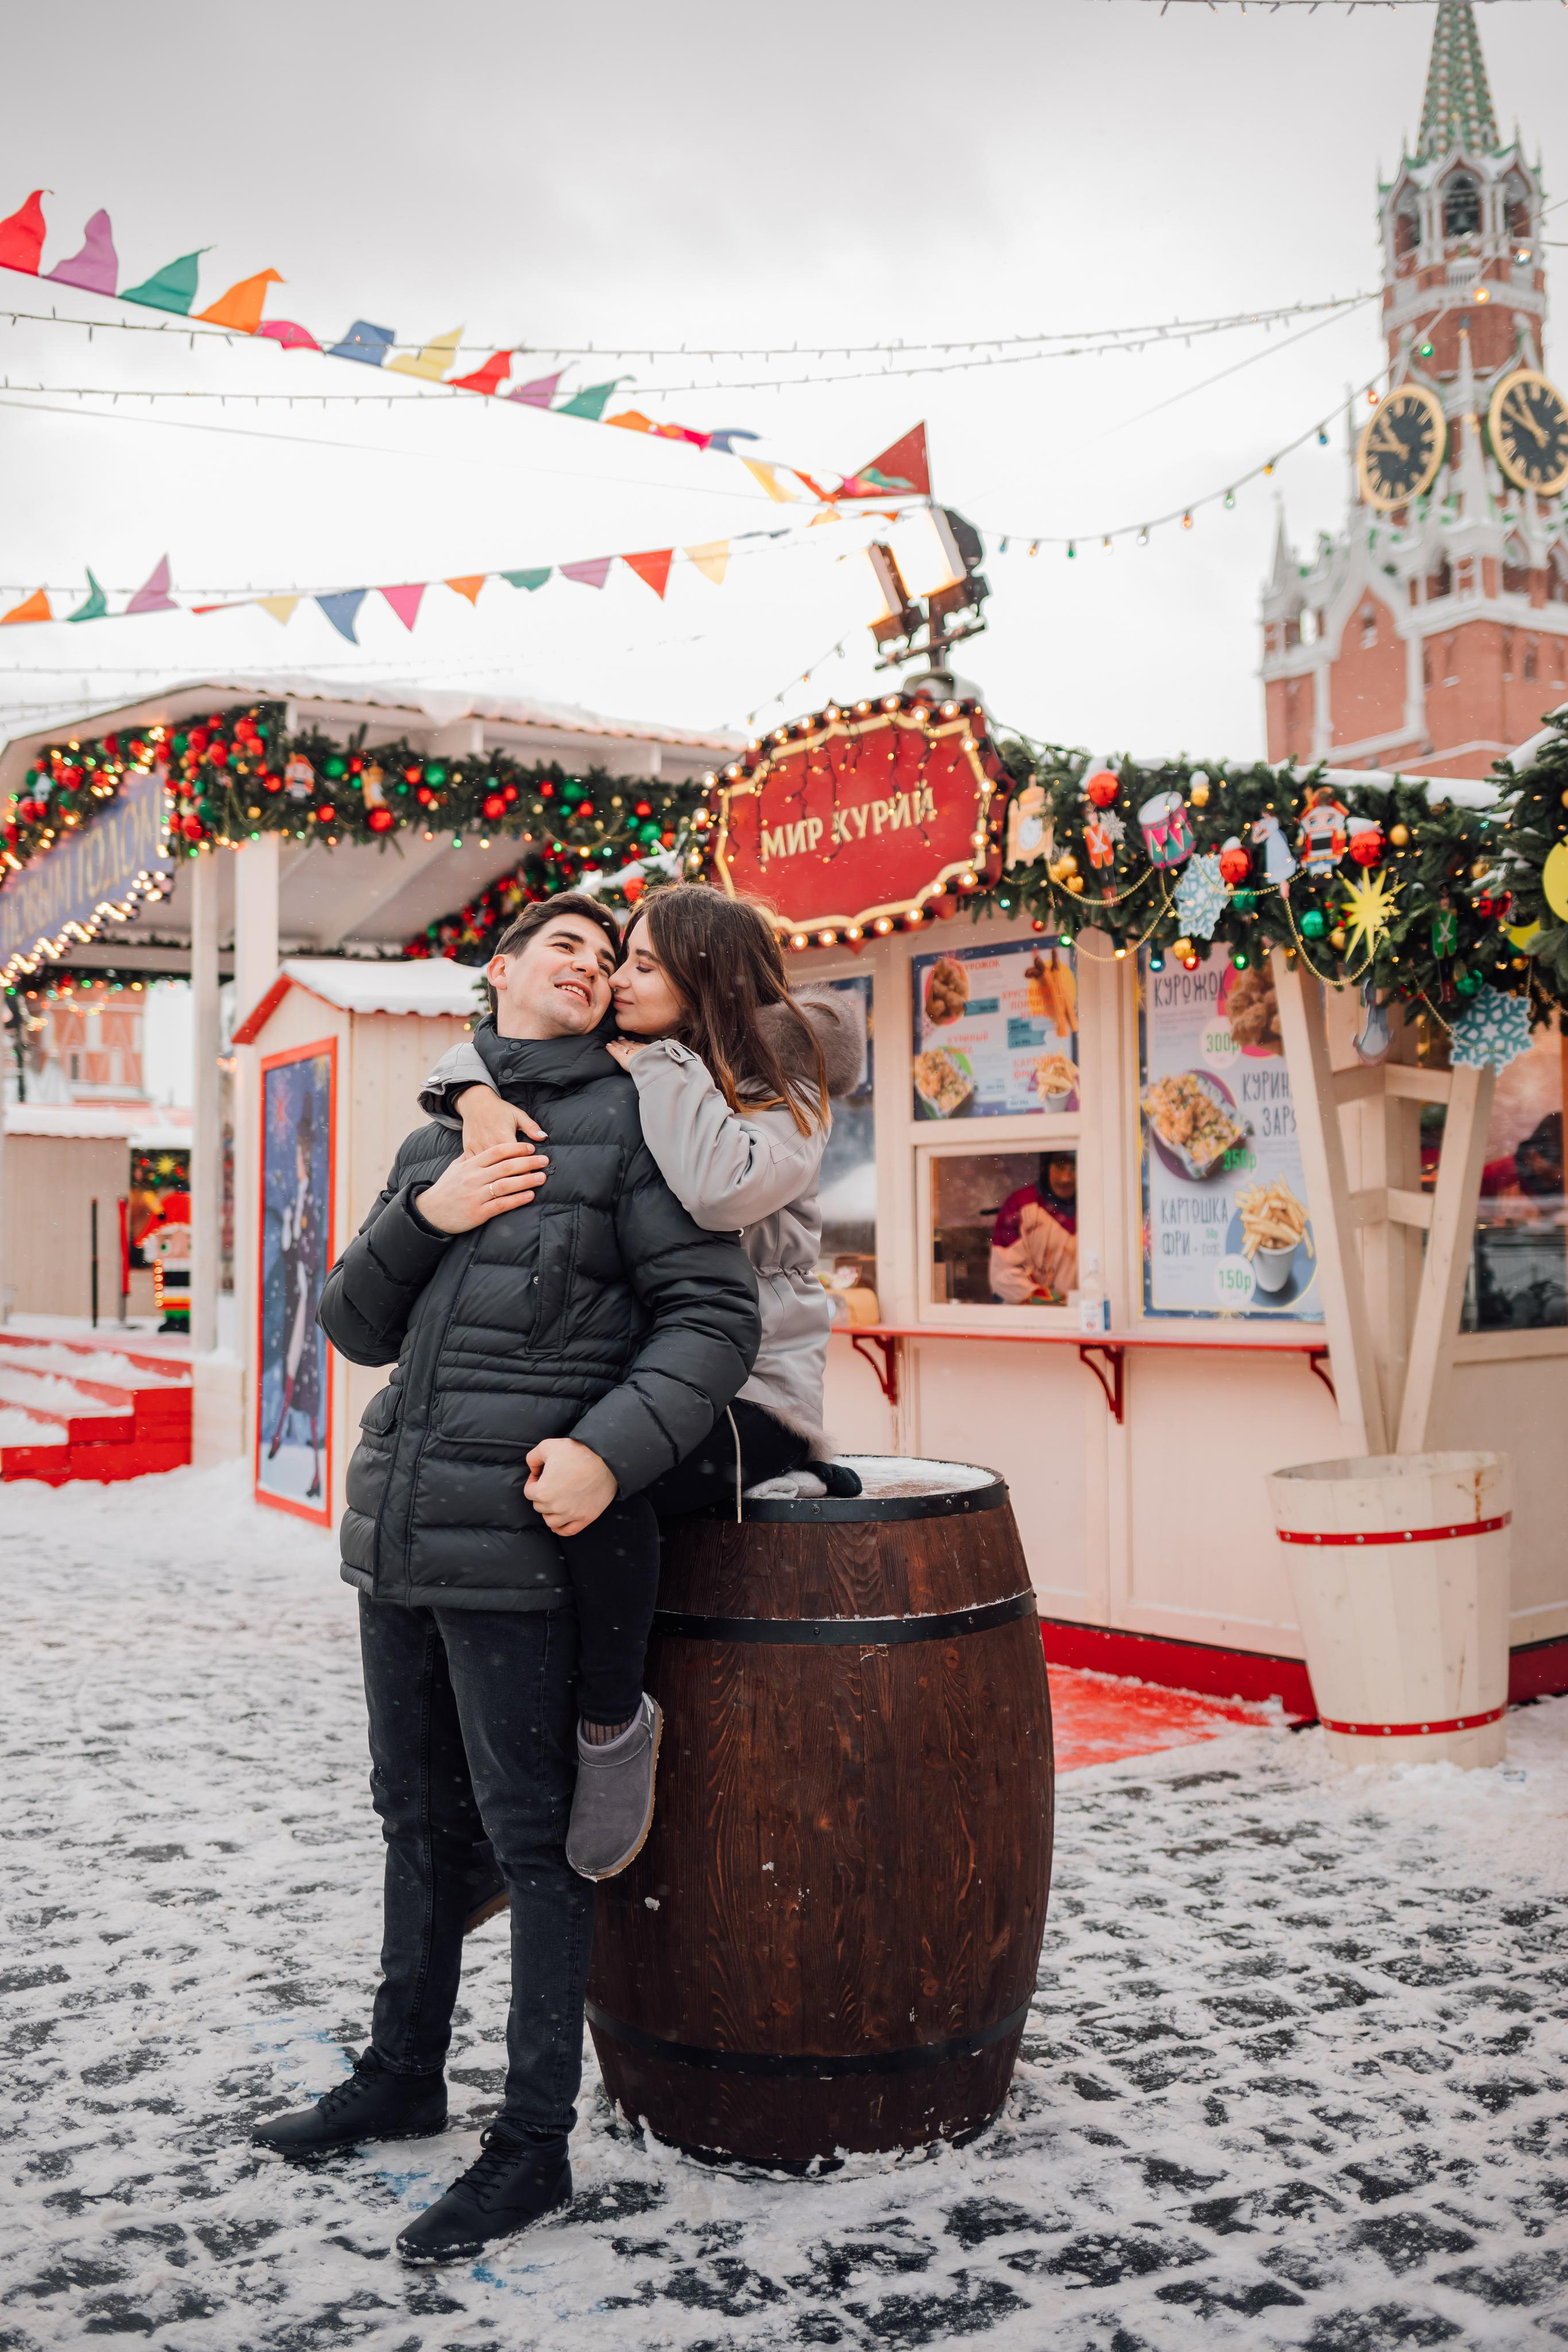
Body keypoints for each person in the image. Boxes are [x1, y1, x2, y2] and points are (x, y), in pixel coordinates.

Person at [251, 895, 760, 2268]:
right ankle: (401, 2072)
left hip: (527, 1545)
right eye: (564, 946)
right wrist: (428, 1209)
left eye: (608, 955)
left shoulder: (638, 1129)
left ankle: (530, 2146)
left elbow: (713, 1319)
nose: (590, 965)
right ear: (495, 970)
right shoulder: (442, 1131)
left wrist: (605, 1452)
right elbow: (353, 1323)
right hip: (401, 1533)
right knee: (414, 1818)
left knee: (535, 1847)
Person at [419, 882, 864, 1768]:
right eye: (624, 957)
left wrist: (659, 1067)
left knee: (603, 1486)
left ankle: (611, 1723)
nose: (618, 977)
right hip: (656, 1377)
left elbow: (721, 1187)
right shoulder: (650, 1056)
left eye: (646, 963)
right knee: (536, 1482)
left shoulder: (783, 1078)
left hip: (751, 1387)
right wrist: (470, 1097)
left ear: (705, 977)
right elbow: (505, 1051)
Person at [265, 1093, 326, 1499]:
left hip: (311, 1302)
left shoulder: (314, 1202)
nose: (300, 1161)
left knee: (304, 1372)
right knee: (291, 1367)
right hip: (297, 1301)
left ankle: (312, 1460)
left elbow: (312, 1253)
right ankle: (281, 1432)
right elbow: (292, 1252)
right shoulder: (300, 1200)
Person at [989, 1151, 1079, 1303]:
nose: (1066, 1178)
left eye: (1074, 1168)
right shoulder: (1019, 1206)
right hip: (1029, 1319)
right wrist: (1053, 1301)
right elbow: (1003, 1276)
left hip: (1085, 1316)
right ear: (1045, 1168)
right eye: (1060, 1167)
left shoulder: (1097, 1206)